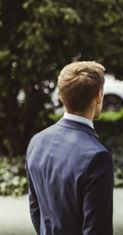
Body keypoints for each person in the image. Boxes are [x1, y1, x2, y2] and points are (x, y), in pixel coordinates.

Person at [25, 61, 114, 235]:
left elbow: (36, 210)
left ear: (61, 96)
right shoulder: (97, 156)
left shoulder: (37, 141)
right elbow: (97, 229)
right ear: (99, 96)